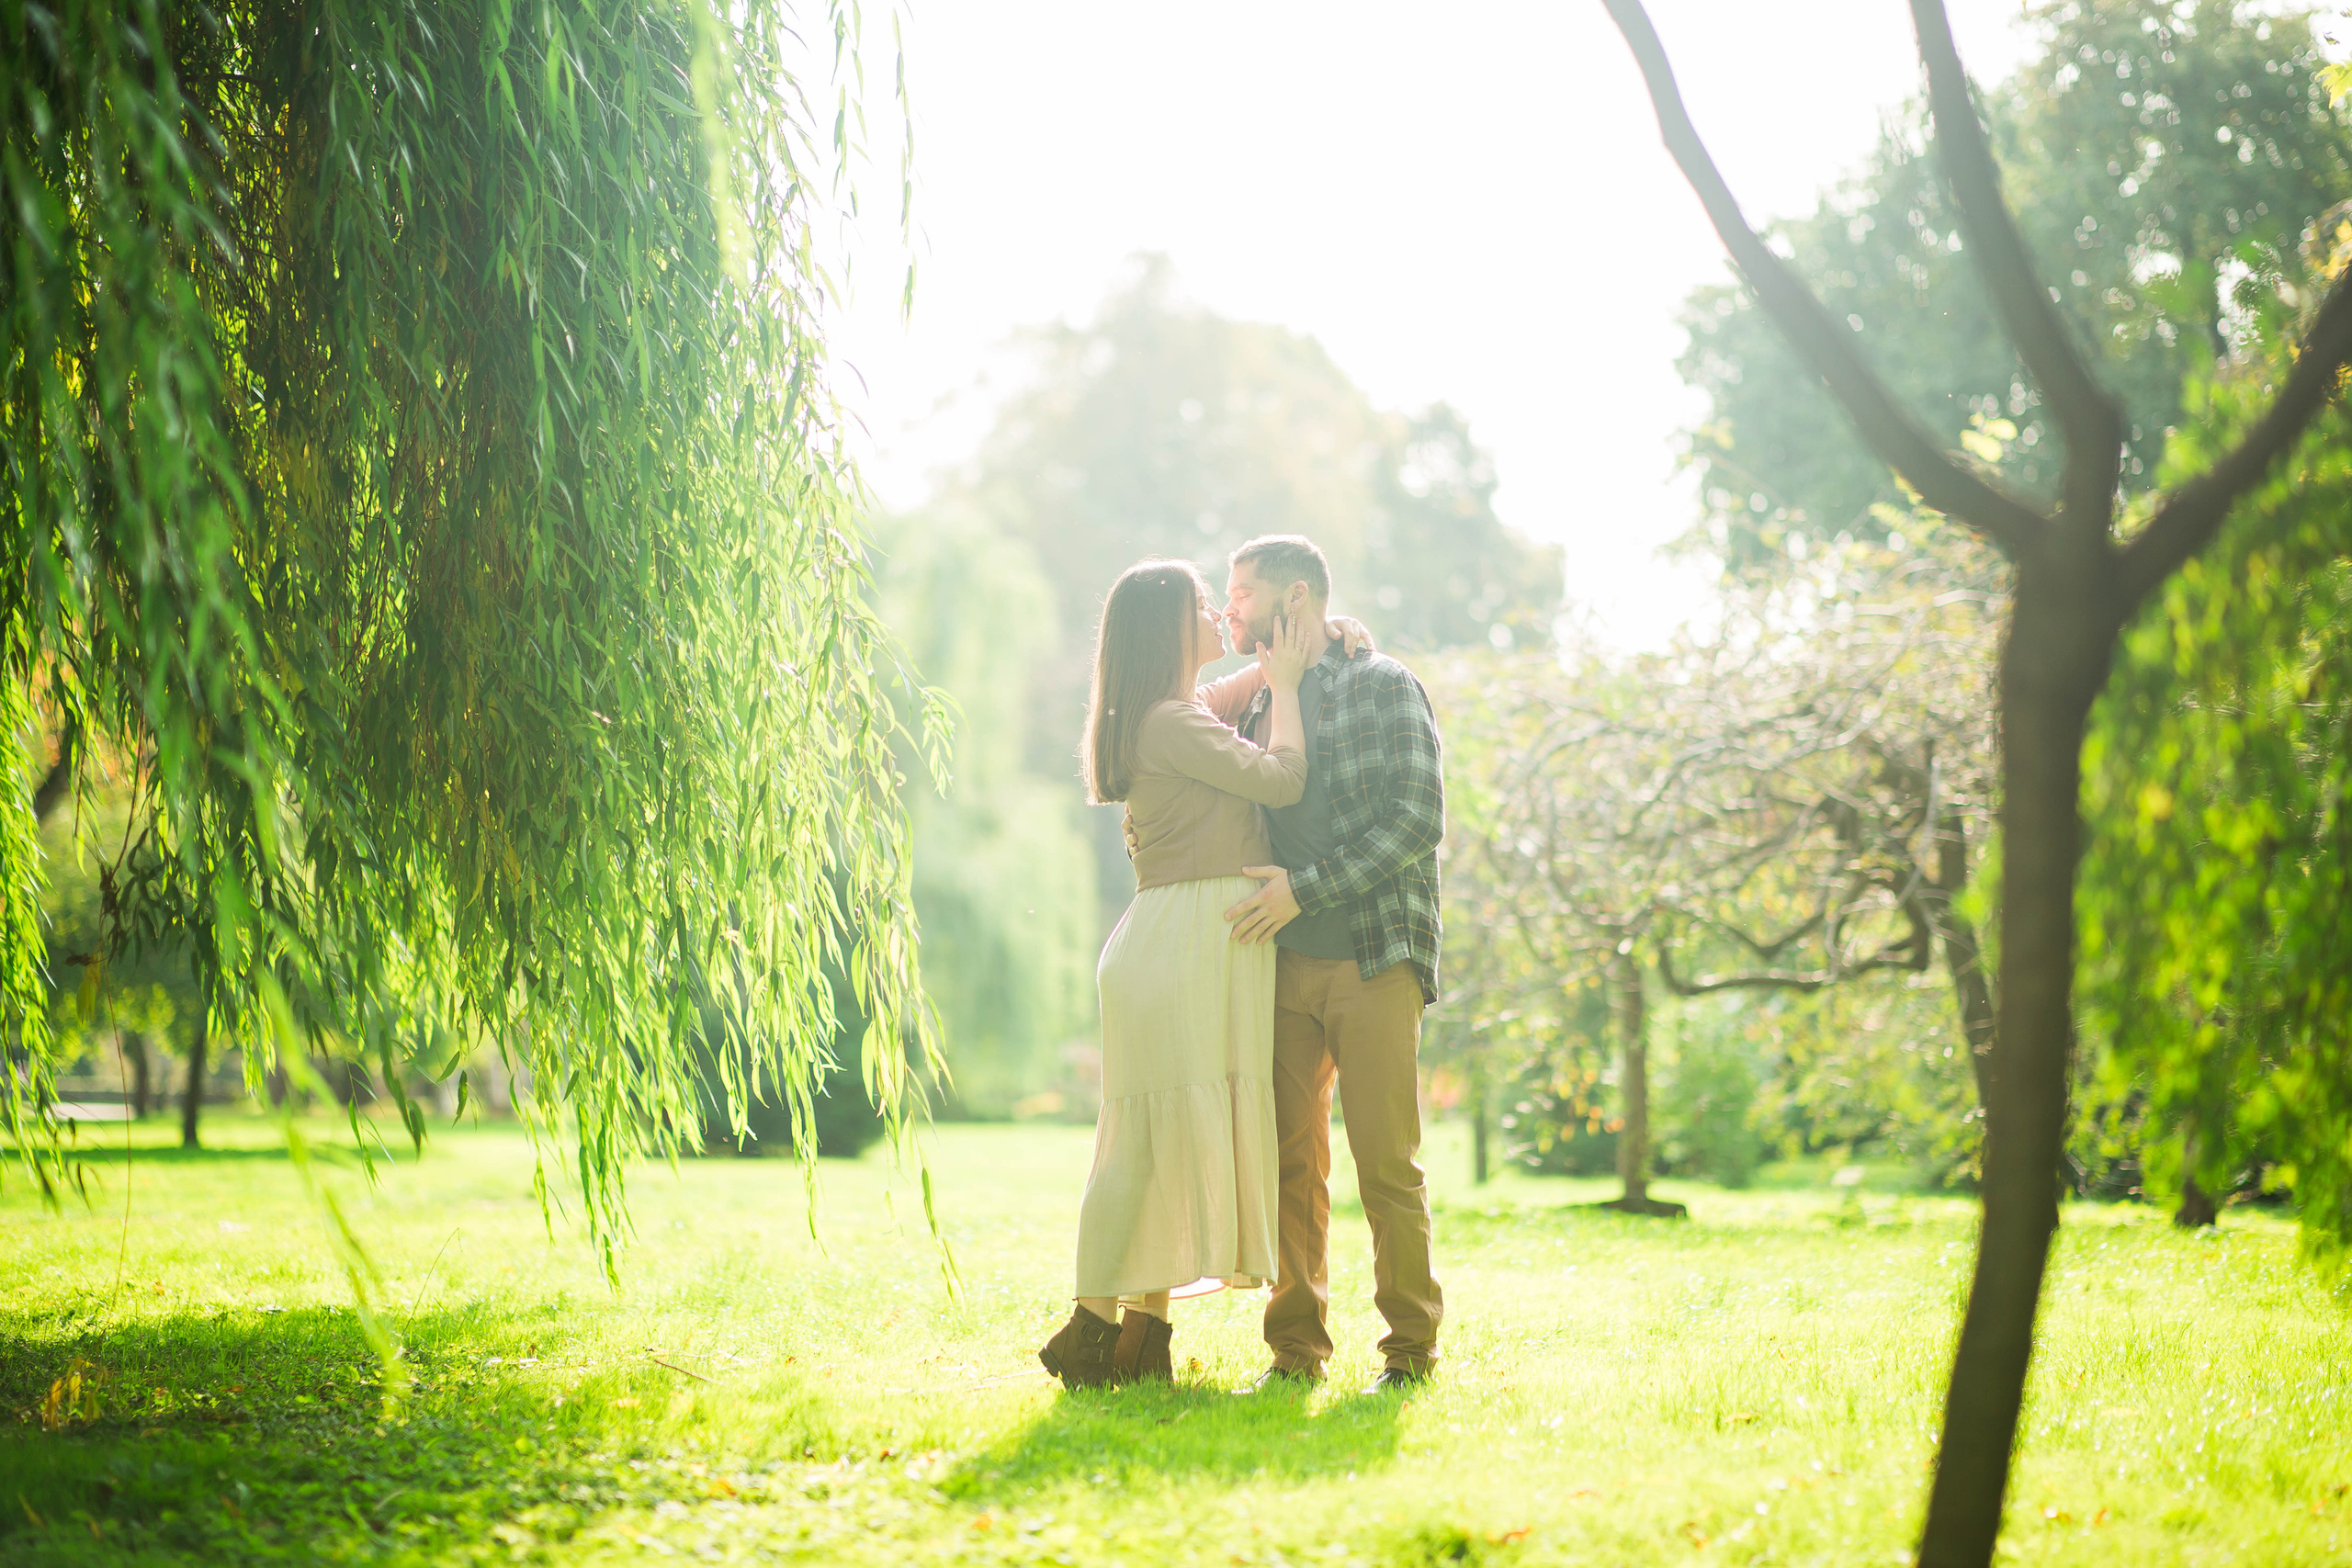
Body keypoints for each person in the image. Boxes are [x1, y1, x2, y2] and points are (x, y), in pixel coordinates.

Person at [1037, 558, 1314, 1390]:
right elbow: (1283, 778)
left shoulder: (1172, 713)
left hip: (1193, 940)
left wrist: (1290, 655)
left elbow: (1229, 694)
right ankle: (1088, 1326)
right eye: (1202, 602)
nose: (1215, 610)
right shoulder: (1170, 722)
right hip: (1186, 941)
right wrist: (1291, 689)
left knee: (1164, 1139)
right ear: (1167, 628)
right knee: (1148, 1142)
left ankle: (1143, 1338)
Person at [1210, 534, 1447, 1395]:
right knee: (1288, 1164)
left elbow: (1415, 820)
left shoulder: (1382, 684)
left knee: (1387, 1164)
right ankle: (1295, 1353)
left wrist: (1306, 889)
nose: (1229, 605)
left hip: (1374, 955)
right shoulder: (1246, 705)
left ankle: (1410, 1353)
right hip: (1276, 967)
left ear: (1296, 598)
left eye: (1242, 592)